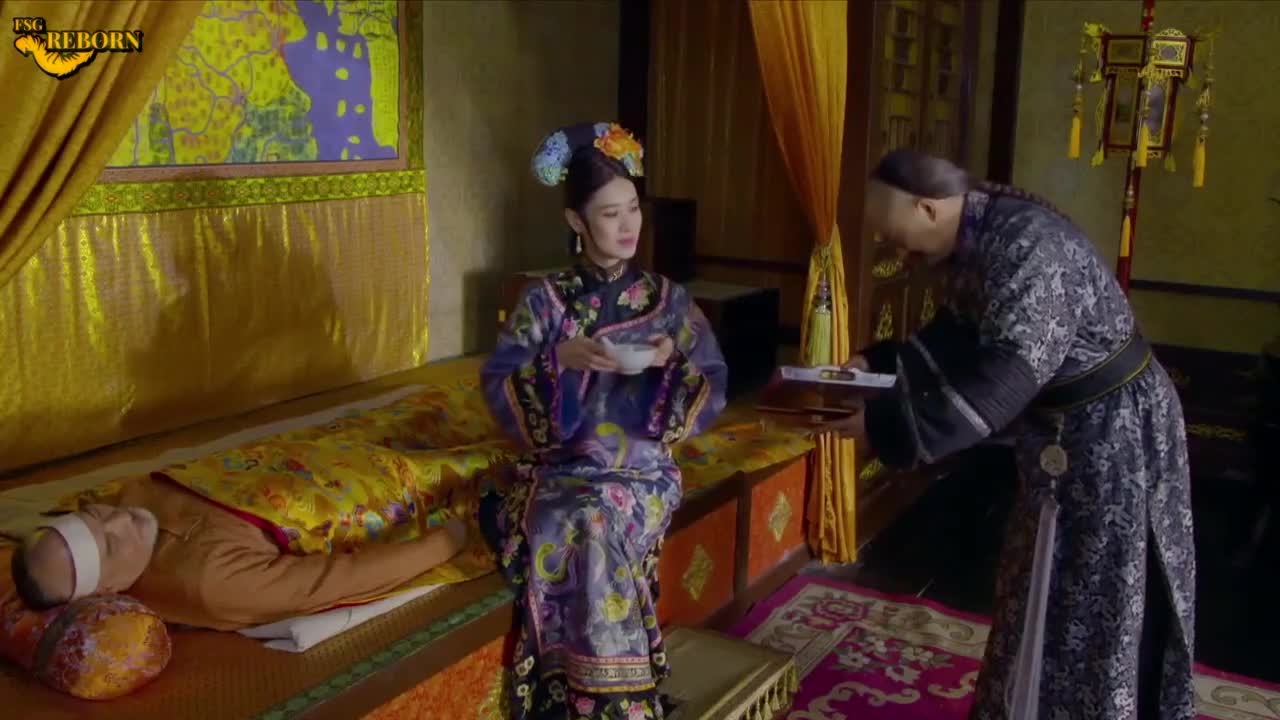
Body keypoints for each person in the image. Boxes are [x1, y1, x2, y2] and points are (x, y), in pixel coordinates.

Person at [819, 149, 1196, 720]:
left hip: (1116, 432)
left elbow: (1005, 378)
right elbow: (959, 336)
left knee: (1101, 591)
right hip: (1060, 433)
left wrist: (884, 430)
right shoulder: (976, 235)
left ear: (927, 208)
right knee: (1036, 580)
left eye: (897, 240)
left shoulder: (1028, 246)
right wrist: (875, 366)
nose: (897, 254)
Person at [478, 122, 728, 720]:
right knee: (587, 518)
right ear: (576, 221)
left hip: (644, 472)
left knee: (599, 518)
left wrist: (671, 366)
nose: (627, 225)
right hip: (561, 471)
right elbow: (499, 385)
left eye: (633, 208)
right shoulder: (544, 300)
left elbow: (713, 382)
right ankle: (614, 700)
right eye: (610, 214)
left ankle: (599, 702)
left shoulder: (668, 300)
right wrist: (556, 361)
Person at [10, 474, 468, 630]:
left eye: (95, 516)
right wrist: (445, 542)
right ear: (109, 588)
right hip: (375, 489)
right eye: (110, 544)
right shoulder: (208, 582)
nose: (119, 520)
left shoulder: (122, 497)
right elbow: (332, 579)